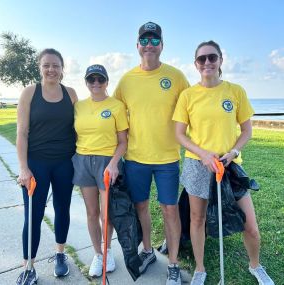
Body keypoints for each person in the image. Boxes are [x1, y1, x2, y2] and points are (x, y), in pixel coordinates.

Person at [173, 40, 275, 285]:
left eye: (212, 57)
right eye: (202, 59)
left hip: (230, 166)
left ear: (220, 60)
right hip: (198, 165)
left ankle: (255, 266)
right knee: (197, 220)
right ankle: (200, 269)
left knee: (250, 225)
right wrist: (204, 154)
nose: (207, 62)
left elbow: (246, 130)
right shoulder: (188, 95)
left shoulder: (235, 90)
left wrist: (233, 151)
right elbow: (179, 134)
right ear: (195, 64)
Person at [113, 22, 189, 285]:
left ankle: (174, 264)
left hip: (167, 159)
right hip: (135, 158)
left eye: (155, 40)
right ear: (137, 46)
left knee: (170, 210)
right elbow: (113, 117)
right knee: (141, 207)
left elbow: (192, 110)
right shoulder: (126, 80)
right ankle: (147, 251)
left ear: (162, 46)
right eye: (144, 40)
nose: (149, 44)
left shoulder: (176, 77)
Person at [16, 48, 78, 284]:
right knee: (34, 214)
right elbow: (22, 133)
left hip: (65, 163)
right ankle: (28, 266)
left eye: (56, 65)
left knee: (63, 209)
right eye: (46, 65)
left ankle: (60, 254)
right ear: (39, 67)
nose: (51, 69)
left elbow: (78, 129)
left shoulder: (71, 94)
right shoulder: (30, 93)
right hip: (36, 163)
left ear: (63, 69)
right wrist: (23, 168)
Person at [72, 64, 128, 277]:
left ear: (106, 82)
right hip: (83, 161)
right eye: (91, 79)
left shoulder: (116, 106)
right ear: (86, 82)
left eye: (100, 79)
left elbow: (123, 141)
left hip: (107, 162)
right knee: (92, 212)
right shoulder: (79, 106)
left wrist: (114, 163)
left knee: (107, 214)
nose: (96, 84)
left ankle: (108, 251)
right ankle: (97, 254)